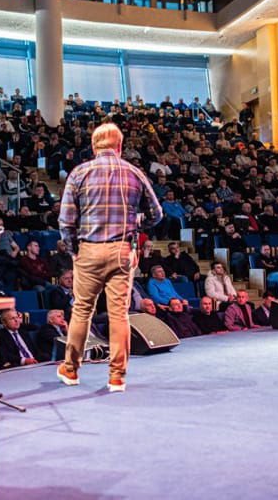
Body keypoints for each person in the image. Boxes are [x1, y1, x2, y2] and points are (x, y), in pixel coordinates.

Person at [57, 123, 162, 393]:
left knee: (82, 311)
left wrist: (73, 250)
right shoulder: (133, 172)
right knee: (119, 315)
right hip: (121, 252)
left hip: (88, 251)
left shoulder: (79, 172)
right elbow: (156, 214)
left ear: (94, 147)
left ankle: (70, 369)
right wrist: (135, 222)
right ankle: (117, 377)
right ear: (119, 146)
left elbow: (65, 221)